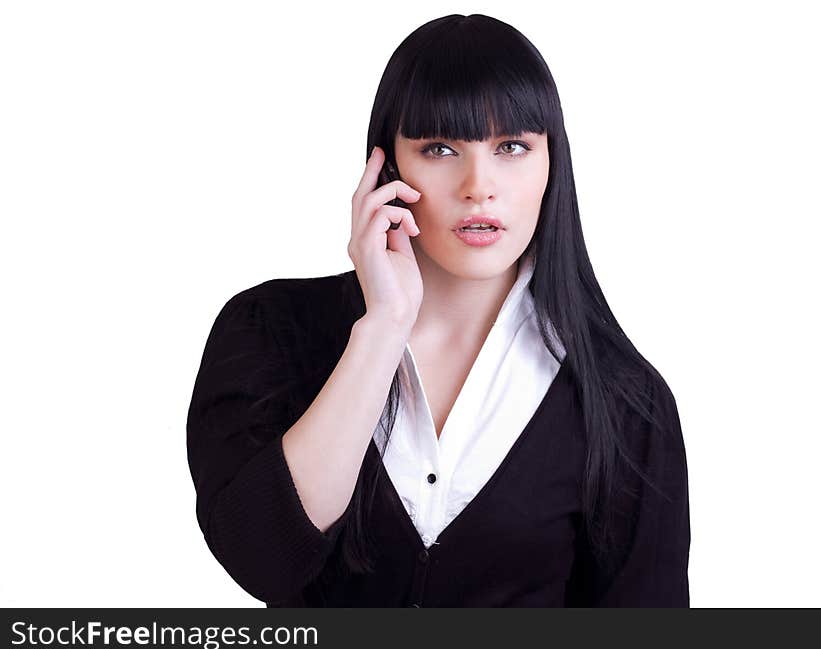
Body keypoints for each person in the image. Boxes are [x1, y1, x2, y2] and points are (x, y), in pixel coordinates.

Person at [186, 13, 690, 607]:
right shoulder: (268, 330)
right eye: (441, 147)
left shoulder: (625, 401)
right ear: (387, 168)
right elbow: (262, 560)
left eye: (512, 147)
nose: (479, 185)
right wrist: (382, 330)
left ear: (552, 166)